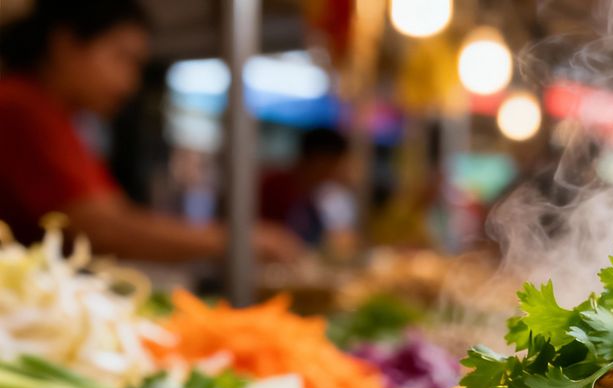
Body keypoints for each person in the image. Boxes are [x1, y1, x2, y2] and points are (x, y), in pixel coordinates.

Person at [0, 0, 300, 261]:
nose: (130, 83)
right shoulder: (20, 107)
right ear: (64, 45)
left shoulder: (54, 114)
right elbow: (102, 227)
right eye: (122, 58)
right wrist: (237, 241)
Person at [260, 127, 356, 248]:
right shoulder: (277, 186)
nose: (342, 170)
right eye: (338, 162)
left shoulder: (311, 193)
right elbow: (264, 232)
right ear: (320, 161)